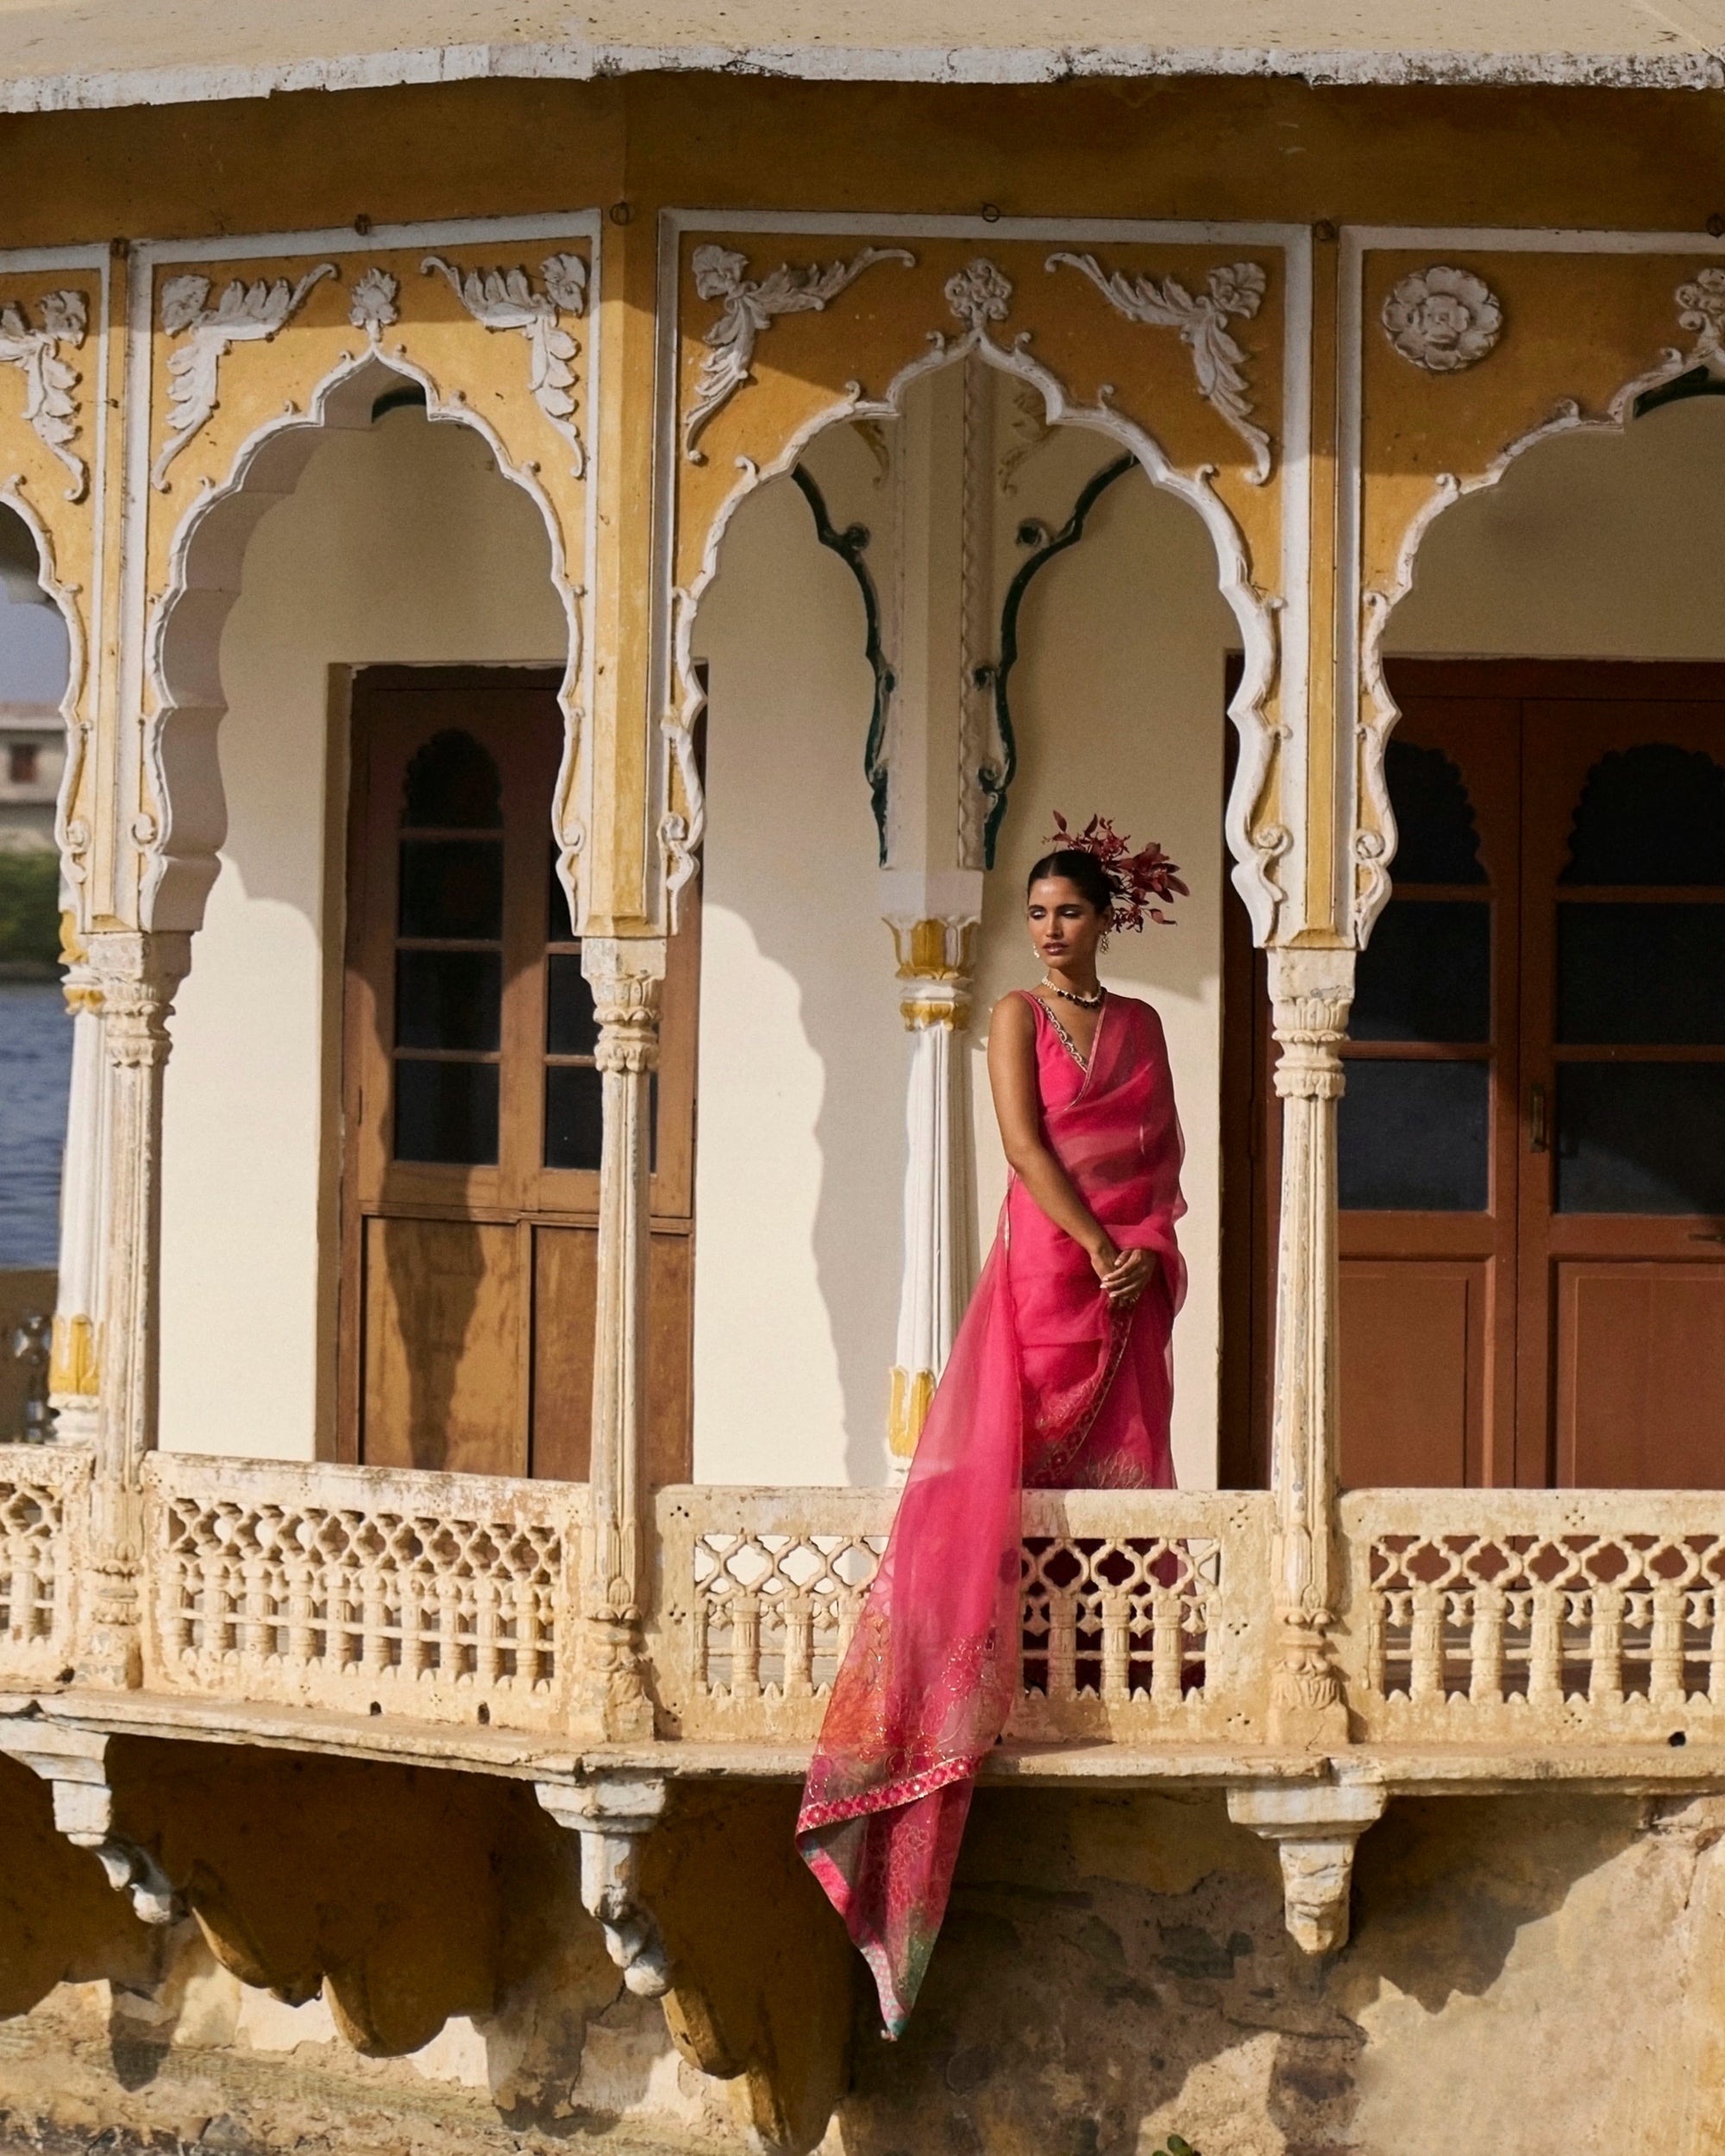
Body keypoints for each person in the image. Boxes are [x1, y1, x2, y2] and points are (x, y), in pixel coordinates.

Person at [796, 814, 1189, 2036]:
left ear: (1106, 920)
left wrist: (1142, 1251)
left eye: (1069, 913)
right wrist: (1097, 1243)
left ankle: (1105, 1671)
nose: (1050, 932)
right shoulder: (1015, 1017)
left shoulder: (1144, 1027)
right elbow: (1024, 1146)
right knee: (1003, 1482)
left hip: (1124, 1280)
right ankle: (954, 1698)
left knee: (1114, 1481)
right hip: (1048, 1272)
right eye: (1037, 915)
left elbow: (1160, 1157)